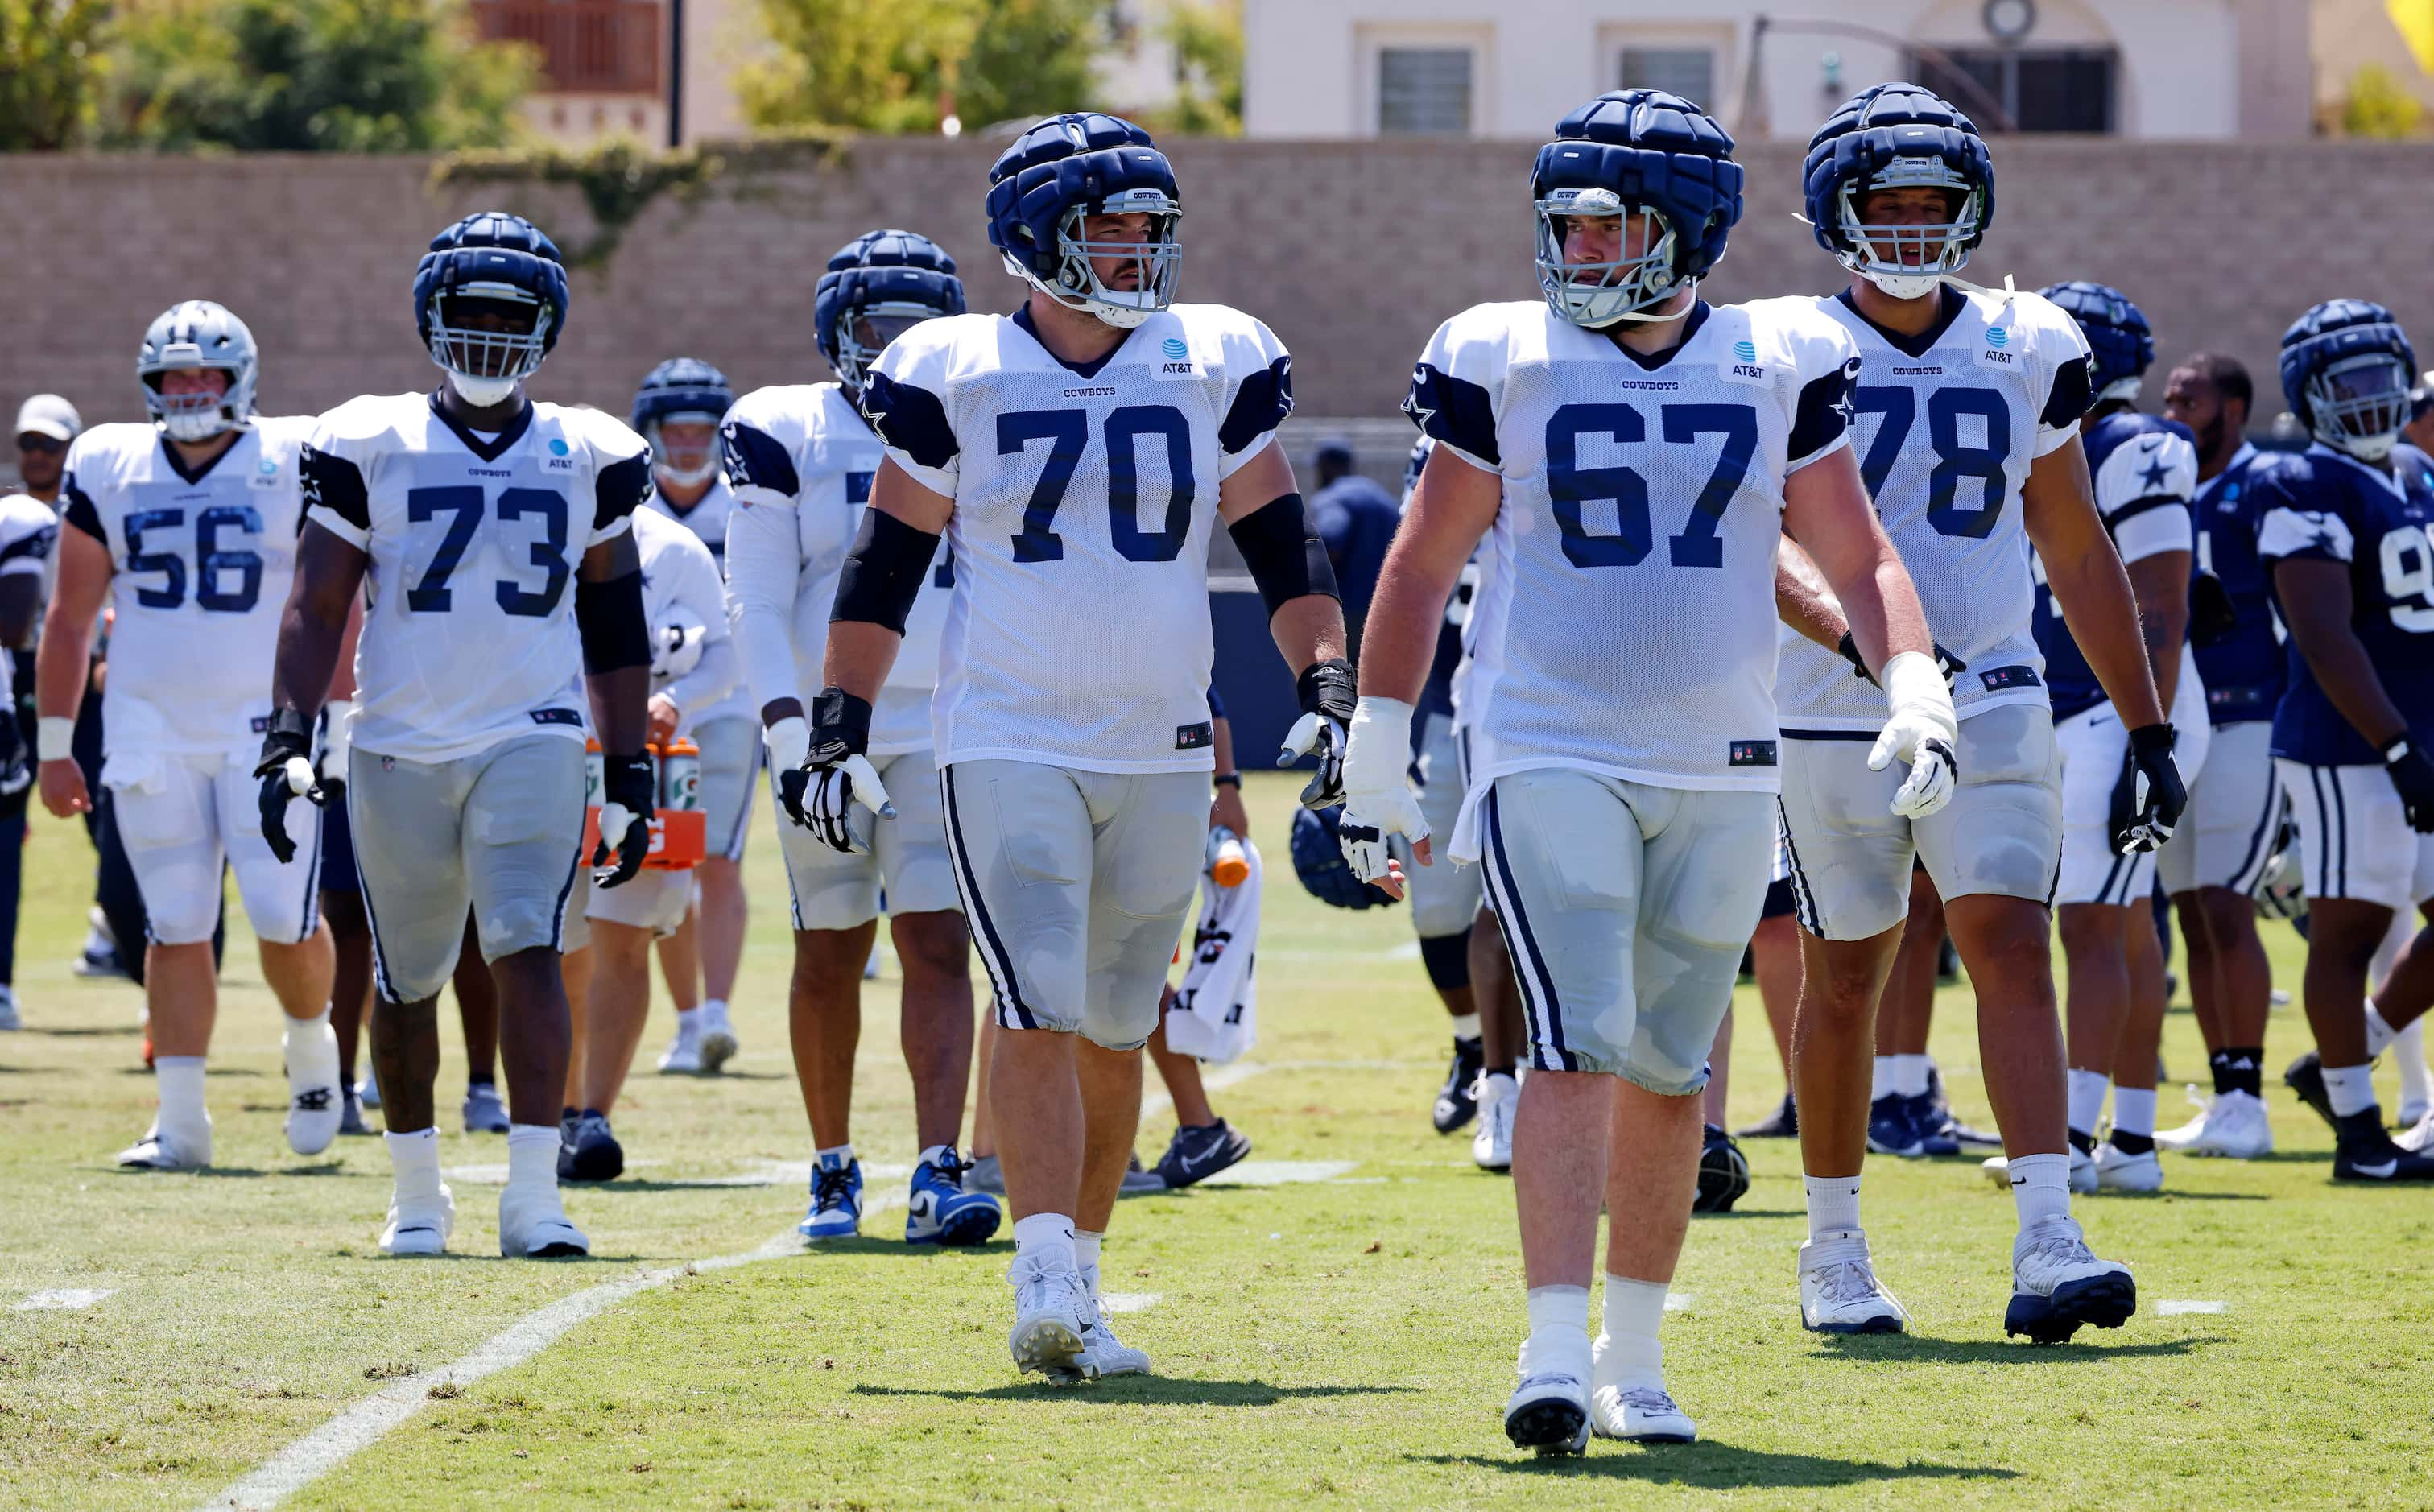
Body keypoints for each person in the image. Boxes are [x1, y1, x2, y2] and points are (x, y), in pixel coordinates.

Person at [1339, 88, 1954, 1452]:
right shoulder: (1498, 351)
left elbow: (1853, 551)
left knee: (1676, 1069)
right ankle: (1549, 1347)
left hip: (1725, 758)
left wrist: (1909, 679)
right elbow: (1423, 555)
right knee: (1576, 1036)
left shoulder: (1777, 353)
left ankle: (1630, 1351)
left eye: (1609, 224)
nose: (1580, 248)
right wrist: (1377, 738)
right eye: (1567, 222)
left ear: (1685, 229)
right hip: (1547, 740)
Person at [813, 114, 1350, 1382]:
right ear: (1031, 239)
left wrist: (1327, 687)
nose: (1133, 250)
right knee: (1038, 992)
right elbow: (882, 566)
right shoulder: (955, 367)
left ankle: (1085, 1275)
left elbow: (1282, 547)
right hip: (1006, 731)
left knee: (1119, 1018)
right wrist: (838, 723)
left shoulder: (1211, 357)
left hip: (1158, 739)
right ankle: (1040, 1264)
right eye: (1106, 227)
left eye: (1147, 228)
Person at [1767, 87, 2182, 1343]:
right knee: (1845, 972)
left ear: (1974, 209)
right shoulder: (1772, 341)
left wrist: (2145, 723)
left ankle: (2048, 1231)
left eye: (1930, 205)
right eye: (1882, 205)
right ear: (1832, 210)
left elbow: (2069, 535)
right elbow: (1753, 538)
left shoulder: (2028, 336)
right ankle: (1832, 1243)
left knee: (2009, 939)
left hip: (1998, 682)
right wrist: (1870, 649)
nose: (1906, 226)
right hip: (1830, 701)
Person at [258, 211, 659, 1258]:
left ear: (547, 326)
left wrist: (627, 767)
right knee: (405, 974)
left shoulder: (593, 450)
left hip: (531, 732)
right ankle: (417, 1192)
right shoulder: (367, 437)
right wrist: (286, 731)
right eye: (468, 311)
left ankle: (533, 1196)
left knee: (526, 941)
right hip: (397, 740)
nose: (486, 331)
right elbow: (316, 603)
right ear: (430, 318)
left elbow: (613, 624)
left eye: (507, 313)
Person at [721, 228, 998, 1246]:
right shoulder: (780, 424)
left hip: (940, 716)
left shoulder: (982, 416)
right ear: (835, 330)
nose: (892, 349)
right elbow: (751, 597)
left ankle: (937, 1164)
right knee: (829, 944)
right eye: (876, 327)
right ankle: (832, 1164)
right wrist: (788, 731)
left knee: (936, 939)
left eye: (916, 330)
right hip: (822, 725)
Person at [32, 300, 342, 1168]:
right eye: (175, 377)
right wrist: (57, 746)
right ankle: (181, 1121)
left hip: (264, 731)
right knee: (174, 926)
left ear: (239, 378)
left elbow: (332, 600)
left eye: (205, 375)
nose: (191, 390)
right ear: (150, 384)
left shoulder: (294, 455)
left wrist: (340, 716)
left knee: (285, 920)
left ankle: (312, 1046)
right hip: (148, 725)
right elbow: (69, 617)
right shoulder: (109, 459)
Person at [2027, 281, 2209, 1197]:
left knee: (2091, 924)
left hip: (2125, 710)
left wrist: (2154, 738)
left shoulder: (2136, 447)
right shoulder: (2063, 445)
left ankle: (2065, 1133)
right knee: (2124, 922)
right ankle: (2129, 1143)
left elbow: (2162, 605)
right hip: (2088, 705)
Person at [2252, 300, 2434, 1181]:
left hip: (2419, 730)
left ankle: (2341, 1060)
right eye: (2347, 383)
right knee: (2348, 931)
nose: (2370, 398)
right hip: (2346, 742)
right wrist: (2396, 747)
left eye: (2380, 378)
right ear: (2309, 394)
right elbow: (2324, 634)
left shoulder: (2415, 470)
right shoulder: (2297, 481)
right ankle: (2359, 1141)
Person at [557, 504, 739, 1180]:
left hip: (644, 757)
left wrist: (677, 700)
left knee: (623, 936)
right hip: (542, 750)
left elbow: (724, 654)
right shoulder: (532, 521)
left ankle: (590, 1116)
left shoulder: (676, 549)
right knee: (550, 939)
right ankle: (551, 1108)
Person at [2153, 353, 2283, 1159]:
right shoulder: (2156, 474)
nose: (2172, 410)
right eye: (2167, 395)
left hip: (2246, 716)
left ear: (2232, 408)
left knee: (2229, 905)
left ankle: (2249, 1099)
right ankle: (2224, 1090)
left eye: (2188, 398)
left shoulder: (2266, 483)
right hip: (2176, 720)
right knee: (2196, 913)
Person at [630, 358, 754, 1075]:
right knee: (663, 856)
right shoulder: (630, 507)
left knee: (719, 858)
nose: (686, 443)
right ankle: (684, 1020)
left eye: (701, 430)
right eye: (673, 430)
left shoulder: (747, 501)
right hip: (644, 705)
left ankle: (717, 1013)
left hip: (725, 699)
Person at [1143, 688, 1255, 1187]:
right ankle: (1197, 1124)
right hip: (1099, 782)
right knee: (1121, 975)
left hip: (1145, 794)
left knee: (1117, 972)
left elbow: (1206, 687)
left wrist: (1226, 786)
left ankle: (1192, 1125)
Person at [0, 399, 69, 1028]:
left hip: (81, 677)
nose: (37, 455)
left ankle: (119, 930)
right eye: (29, 444)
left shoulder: (86, 508)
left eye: (50, 444)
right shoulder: (16, 513)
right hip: (19, 673)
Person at [1308, 437, 1397, 661]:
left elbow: (1330, 539)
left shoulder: (1333, 497)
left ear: (1327, 467)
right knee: (1377, 690)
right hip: (1390, 610)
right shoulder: (1380, 497)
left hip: (1349, 611)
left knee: (1329, 682)